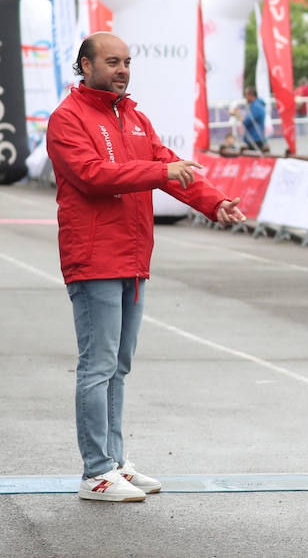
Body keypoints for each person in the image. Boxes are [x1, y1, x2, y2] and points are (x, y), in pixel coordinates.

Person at [46, 32, 247, 502]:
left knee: (118, 365)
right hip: (93, 258)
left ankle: (115, 463)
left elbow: (171, 165)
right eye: (112, 62)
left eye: (127, 62)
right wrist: (162, 174)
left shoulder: (134, 117)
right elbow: (93, 176)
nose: (122, 70)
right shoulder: (67, 118)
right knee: (97, 366)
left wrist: (215, 203)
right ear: (85, 65)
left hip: (134, 257)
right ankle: (95, 472)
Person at [242, 86, 268, 152]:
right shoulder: (257, 105)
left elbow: (246, 122)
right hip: (256, 138)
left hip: (255, 140)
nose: (245, 97)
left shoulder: (256, 106)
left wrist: (237, 114)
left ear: (251, 95)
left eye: (246, 95)